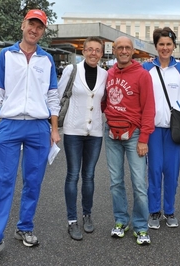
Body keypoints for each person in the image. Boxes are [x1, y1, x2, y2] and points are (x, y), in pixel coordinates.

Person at [0, 9, 60, 266]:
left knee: (33, 182)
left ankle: (24, 226)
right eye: (31, 24)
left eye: (40, 26)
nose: (34, 30)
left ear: (43, 31)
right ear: (23, 25)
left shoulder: (47, 60)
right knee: (1, 183)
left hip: (38, 127)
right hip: (10, 125)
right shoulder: (7, 55)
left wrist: (54, 129)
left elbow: (53, 97)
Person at [102, 36, 155, 245]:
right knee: (115, 182)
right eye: (120, 48)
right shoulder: (109, 74)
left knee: (139, 184)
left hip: (134, 136)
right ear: (114, 50)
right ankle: (121, 221)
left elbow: (149, 109)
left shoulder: (142, 75)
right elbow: (103, 101)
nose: (123, 51)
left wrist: (144, 139)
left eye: (127, 48)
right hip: (112, 134)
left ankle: (141, 226)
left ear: (133, 51)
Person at [58, 37, 108, 241]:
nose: (93, 53)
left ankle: (87, 215)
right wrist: (52, 127)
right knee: (72, 175)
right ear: (83, 51)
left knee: (89, 176)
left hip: (95, 132)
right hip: (73, 130)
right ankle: (72, 220)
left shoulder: (105, 74)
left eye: (97, 50)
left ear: (102, 53)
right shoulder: (72, 71)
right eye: (90, 49)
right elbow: (58, 96)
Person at [142, 27, 180, 229]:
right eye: (161, 44)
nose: (165, 48)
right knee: (154, 171)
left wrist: (178, 109)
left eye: (169, 44)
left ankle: (169, 211)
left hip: (172, 130)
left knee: (171, 171)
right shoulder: (146, 68)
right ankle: (154, 211)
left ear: (174, 46)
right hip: (152, 130)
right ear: (156, 46)